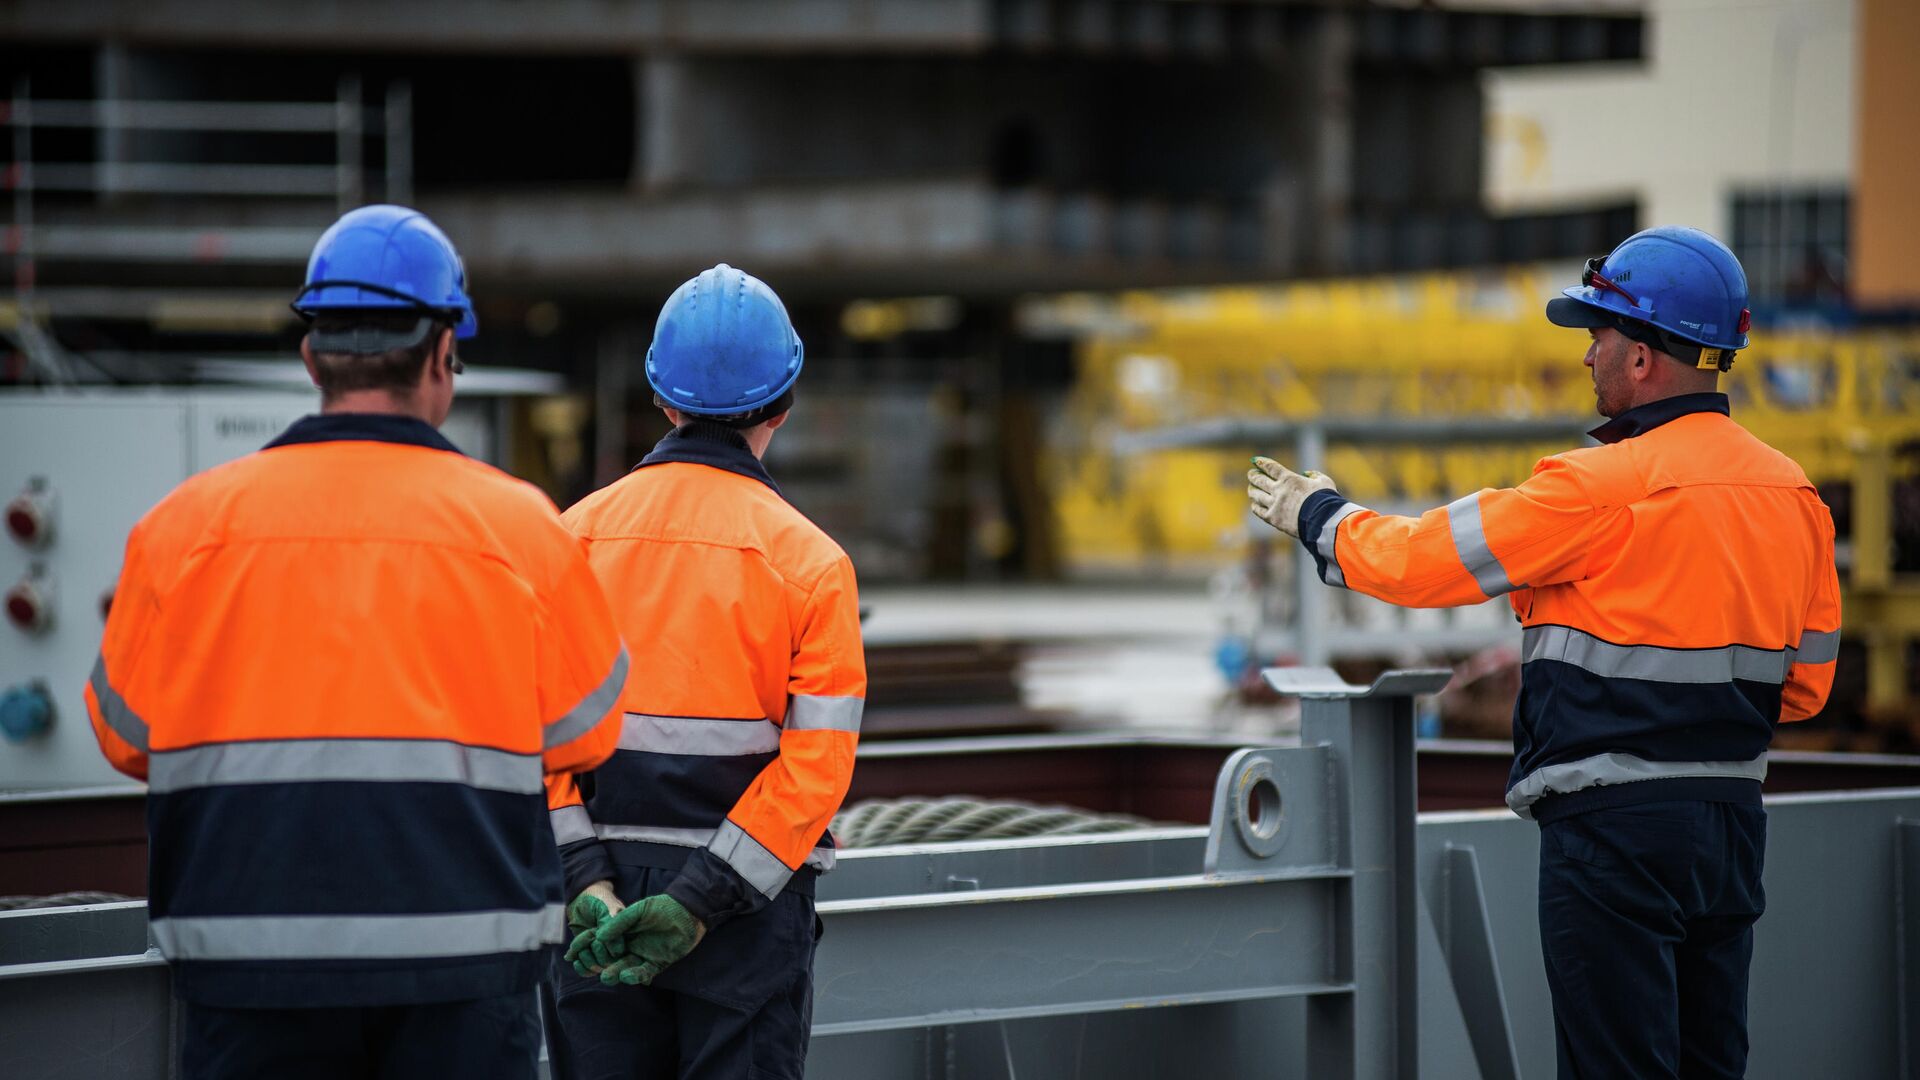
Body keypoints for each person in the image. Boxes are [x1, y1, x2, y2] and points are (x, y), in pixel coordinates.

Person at [1247, 226, 1839, 1079]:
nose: (1588, 355)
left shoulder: (1596, 486)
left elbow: (1423, 561)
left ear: (1642, 359)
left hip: (1612, 835)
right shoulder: (1795, 497)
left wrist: (1321, 517)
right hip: (1732, 831)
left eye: (1598, 334)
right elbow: (1806, 689)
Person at [85, 204, 630, 1080]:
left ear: (311, 357)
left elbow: (124, 738)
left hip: (247, 968)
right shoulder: (521, 528)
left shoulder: (179, 531)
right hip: (464, 970)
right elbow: (586, 735)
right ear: (444, 354)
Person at [542, 263, 866, 1080]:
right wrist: (698, 902)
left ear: (662, 399)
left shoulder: (571, 540)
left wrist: (585, 875)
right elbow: (815, 772)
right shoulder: (814, 566)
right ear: (783, 404)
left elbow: (529, 741)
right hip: (742, 922)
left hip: (595, 911)